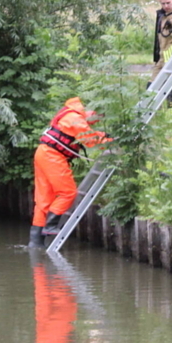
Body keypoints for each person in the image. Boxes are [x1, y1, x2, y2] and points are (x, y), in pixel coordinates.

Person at [28, 97, 111, 248]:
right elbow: (90, 139)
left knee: (44, 199)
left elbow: (87, 119)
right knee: (68, 193)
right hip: (53, 156)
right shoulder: (75, 118)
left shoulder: (71, 114)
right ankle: (50, 226)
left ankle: (35, 241)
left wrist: (101, 115)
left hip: (43, 152)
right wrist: (110, 139)